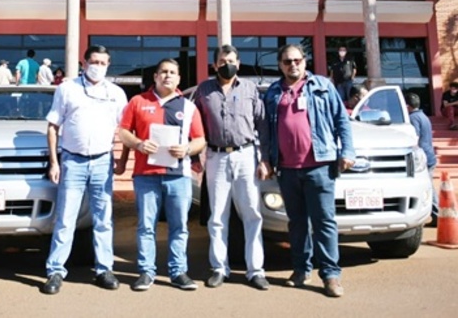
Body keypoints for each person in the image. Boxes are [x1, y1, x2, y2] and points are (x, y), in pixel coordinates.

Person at [263, 44, 355, 298]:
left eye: (297, 60)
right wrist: (266, 159)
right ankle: (301, 269)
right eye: (287, 61)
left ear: (304, 62)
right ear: (280, 65)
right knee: (297, 223)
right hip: (287, 169)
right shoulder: (272, 93)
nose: (293, 64)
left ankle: (330, 274)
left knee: (324, 221)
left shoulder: (323, 86)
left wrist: (347, 151)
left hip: (320, 165)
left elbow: (341, 121)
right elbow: (267, 132)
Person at [42, 45, 129, 295]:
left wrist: (122, 159)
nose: (98, 66)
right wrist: (54, 162)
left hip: (103, 162)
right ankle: (56, 270)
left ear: (109, 65)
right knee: (65, 218)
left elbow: (124, 130)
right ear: (84, 62)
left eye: (103, 63)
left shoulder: (116, 93)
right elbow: (52, 126)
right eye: (94, 61)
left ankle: (104, 269)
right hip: (72, 161)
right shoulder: (67, 89)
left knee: (103, 219)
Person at [119, 58, 206, 292]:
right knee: (146, 226)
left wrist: (187, 149)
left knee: (179, 226)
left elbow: (200, 140)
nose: (167, 76)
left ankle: (178, 272)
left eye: (172, 72)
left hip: (179, 176)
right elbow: (123, 132)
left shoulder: (188, 107)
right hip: (146, 175)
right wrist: (138, 144)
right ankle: (146, 272)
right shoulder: (137, 102)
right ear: (155, 76)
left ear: (178, 78)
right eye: (163, 72)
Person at [193, 44, 272, 291]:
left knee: (252, 213)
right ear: (215, 64)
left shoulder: (250, 88)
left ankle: (255, 270)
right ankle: (219, 268)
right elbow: (195, 125)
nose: (227, 64)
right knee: (217, 216)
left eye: (232, 60)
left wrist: (265, 158)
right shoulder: (203, 90)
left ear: (238, 63)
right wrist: (195, 157)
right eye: (222, 60)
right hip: (216, 157)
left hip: (246, 155)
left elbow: (263, 125)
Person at [404, 92, 439, 227]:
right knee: (428, 186)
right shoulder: (423, 116)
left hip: (424, 158)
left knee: (427, 187)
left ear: (407, 106)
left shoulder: (413, 119)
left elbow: (414, 138)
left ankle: (437, 214)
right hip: (429, 155)